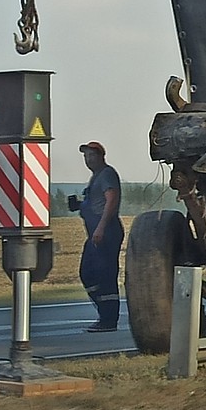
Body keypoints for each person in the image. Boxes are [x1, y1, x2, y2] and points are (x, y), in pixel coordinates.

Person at [75, 141, 124, 333]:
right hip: (97, 231)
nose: (88, 160)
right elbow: (97, 203)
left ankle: (109, 320)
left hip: (106, 231)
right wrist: (80, 205)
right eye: (86, 156)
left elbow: (112, 199)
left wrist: (101, 228)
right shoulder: (96, 177)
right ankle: (104, 315)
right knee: (88, 273)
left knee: (105, 275)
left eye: (92, 156)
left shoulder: (107, 174)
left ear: (101, 156)